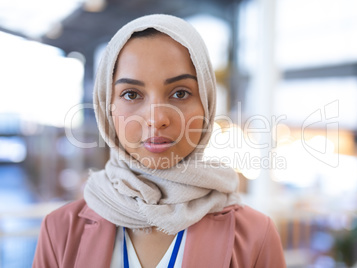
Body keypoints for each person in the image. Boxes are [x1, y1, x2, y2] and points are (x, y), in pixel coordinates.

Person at [33, 14, 286, 268]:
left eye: (180, 93)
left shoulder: (255, 236)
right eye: (131, 94)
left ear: (207, 104)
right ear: (107, 108)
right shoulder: (60, 231)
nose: (157, 118)